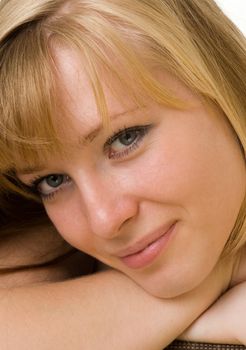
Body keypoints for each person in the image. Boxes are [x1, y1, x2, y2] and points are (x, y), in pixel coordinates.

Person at [0, 0, 245, 348]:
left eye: (124, 139)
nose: (103, 220)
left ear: (219, 81)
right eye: (52, 180)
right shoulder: (44, 238)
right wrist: (217, 278)